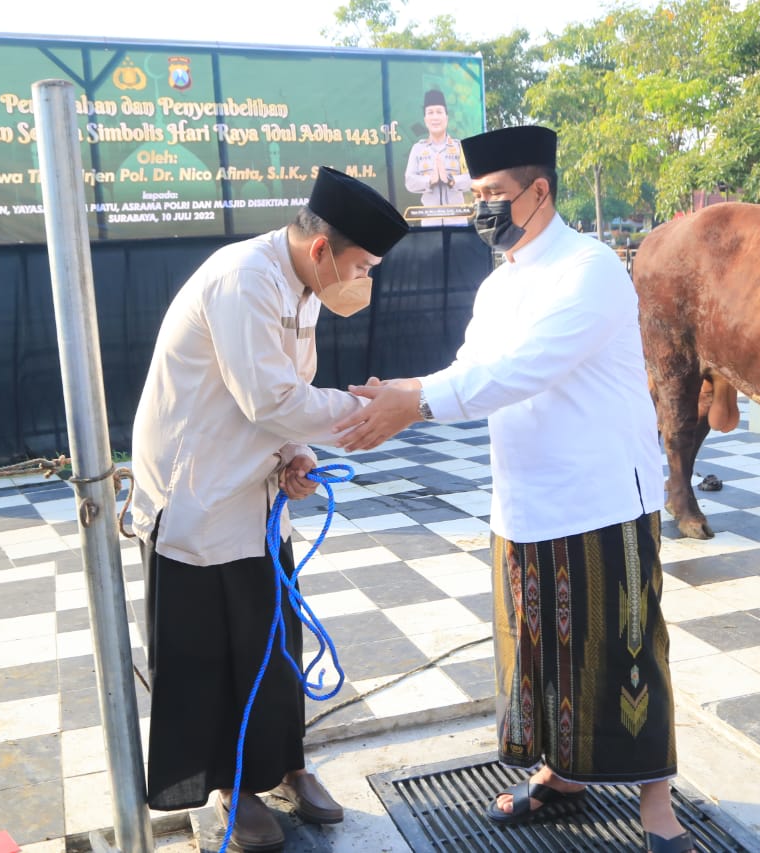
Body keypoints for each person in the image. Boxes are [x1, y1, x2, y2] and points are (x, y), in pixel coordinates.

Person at [332, 125, 694, 853]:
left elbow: (519, 371)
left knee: (627, 650)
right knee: (542, 650)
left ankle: (659, 808)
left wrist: (417, 402)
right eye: (475, 198)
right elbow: (469, 365)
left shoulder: (589, 270)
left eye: (495, 195)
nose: (483, 210)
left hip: (601, 500)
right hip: (525, 498)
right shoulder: (499, 284)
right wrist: (395, 392)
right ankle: (563, 776)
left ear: (540, 192)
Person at [130, 166, 409, 852]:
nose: (362, 278)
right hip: (197, 493)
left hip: (254, 490)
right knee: (210, 653)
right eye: (361, 265)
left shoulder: (303, 286)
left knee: (275, 641)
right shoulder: (244, 279)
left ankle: (286, 766)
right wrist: (370, 412)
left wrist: (295, 456)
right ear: (322, 251)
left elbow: (286, 392)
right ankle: (232, 786)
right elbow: (272, 398)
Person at [403, 89, 470, 226]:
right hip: (430, 222)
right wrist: (430, 180)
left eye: (439, 112)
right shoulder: (418, 149)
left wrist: (451, 180)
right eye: (430, 113)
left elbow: (472, 179)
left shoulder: (460, 147)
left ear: (446, 117)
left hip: (458, 221)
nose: (435, 117)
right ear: (425, 120)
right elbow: (409, 181)